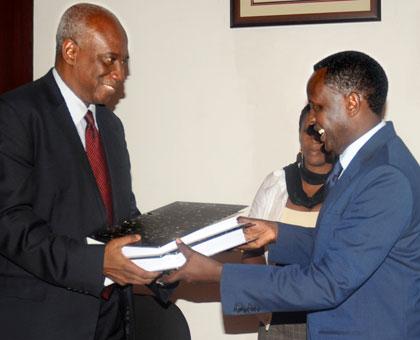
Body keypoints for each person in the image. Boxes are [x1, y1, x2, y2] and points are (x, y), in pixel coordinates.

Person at [163, 51, 420, 340]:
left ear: (352, 103)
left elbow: (328, 282)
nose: (313, 121)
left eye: (318, 106)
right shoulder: (364, 163)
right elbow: (342, 245)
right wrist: (277, 233)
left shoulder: (385, 176)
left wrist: (219, 275)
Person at [0, 3, 161, 340]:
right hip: (42, 322)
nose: (119, 74)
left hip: (111, 320)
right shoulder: (15, 114)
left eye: (123, 62)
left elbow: (121, 216)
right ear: (71, 50)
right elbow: (10, 222)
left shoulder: (110, 126)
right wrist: (96, 263)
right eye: (110, 59)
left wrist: (165, 254)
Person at [244, 104, 333, 340]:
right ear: (300, 134)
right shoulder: (276, 183)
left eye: (321, 132)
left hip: (329, 316)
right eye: (309, 131)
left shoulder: (347, 186)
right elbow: (250, 248)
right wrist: (262, 302)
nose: (315, 140)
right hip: (279, 317)